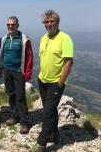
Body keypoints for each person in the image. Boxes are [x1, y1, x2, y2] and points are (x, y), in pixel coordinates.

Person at [35, 10, 74, 151]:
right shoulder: (43, 38)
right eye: (46, 22)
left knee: (47, 112)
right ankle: (55, 134)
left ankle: (42, 142)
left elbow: (69, 62)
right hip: (42, 80)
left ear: (57, 22)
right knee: (49, 110)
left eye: (52, 21)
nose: (49, 24)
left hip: (55, 82)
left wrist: (61, 81)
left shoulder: (65, 38)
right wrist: (40, 75)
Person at [0, 16, 33, 134]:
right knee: (11, 94)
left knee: (21, 96)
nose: (10, 26)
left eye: (13, 24)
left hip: (18, 71)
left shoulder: (24, 39)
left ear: (17, 25)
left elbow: (29, 56)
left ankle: (24, 122)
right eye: (8, 25)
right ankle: (14, 115)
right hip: (6, 70)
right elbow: (1, 54)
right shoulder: (4, 39)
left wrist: (27, 72)